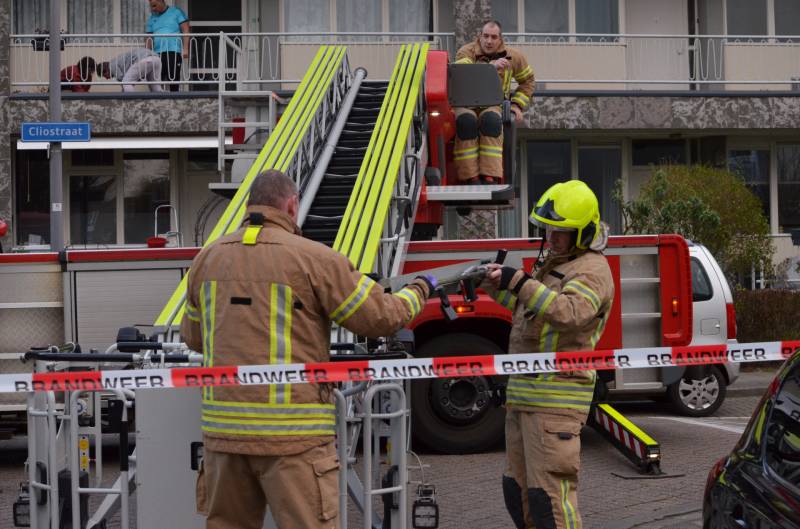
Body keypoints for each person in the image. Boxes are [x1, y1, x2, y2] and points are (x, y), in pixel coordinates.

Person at [181, 169, 435, 529]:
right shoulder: (315, 259)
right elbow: (381, 317)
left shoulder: (206, 259)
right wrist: (420, 289)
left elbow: (193, 336)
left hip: (223, 439)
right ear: (291, 205)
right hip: (294, 440)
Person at [484, 180, 614, 529]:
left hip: (554, 405)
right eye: (549, 230)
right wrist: (496, 287)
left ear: (583, 233)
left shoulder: (591, 269)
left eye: (561, 232)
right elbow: (533, 314)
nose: (552, 238)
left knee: (550, 502)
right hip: (525, 399)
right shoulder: (558, 262)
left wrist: (520, 282)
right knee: (519, 493)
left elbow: (570, 313)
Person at [453, 20, 534, 184]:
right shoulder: (465, 52)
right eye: (486, 36)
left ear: (500, 38)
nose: (489, 41)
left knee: (491, 121)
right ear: (479, 36)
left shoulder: (514, 57)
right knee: (466, 122)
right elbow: (463, 75)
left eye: (494, 37)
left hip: (493, 104)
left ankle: (491, 175)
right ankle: (470, 176)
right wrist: (490, 67)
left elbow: (528, 81)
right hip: (465, 103)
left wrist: (516, 105)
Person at [146, 0, 190, 92]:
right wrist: (147, 54)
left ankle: (175, 101)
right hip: (157, 54)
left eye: (154, 5)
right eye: (151, 6)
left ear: (161, 1)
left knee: (173, 79)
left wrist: (185, 49)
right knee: (157, 80)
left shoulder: (176, 12)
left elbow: (185, 29)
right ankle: (159, 103)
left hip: (173, 51)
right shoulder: (151, 18)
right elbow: (149, 38)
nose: (152, 8)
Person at [96, 49, 163, 92]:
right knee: (156, 89)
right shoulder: (117, 61)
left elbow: (124, 81)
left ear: (105, 69)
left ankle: (131, 103)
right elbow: (131, 80)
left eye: (104, 76)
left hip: (144, 59)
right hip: (156, 59)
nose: (107, 78)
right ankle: (165, 102)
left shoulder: (111, 65)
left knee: (126, 82)